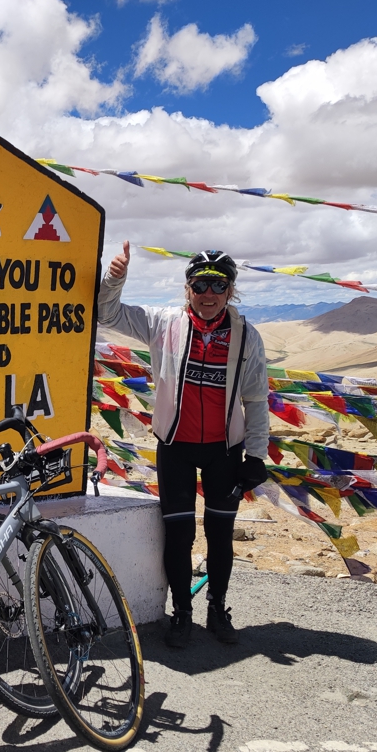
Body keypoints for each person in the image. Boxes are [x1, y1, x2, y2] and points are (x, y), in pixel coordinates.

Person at [98, 242, 270, 648]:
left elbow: (255, 399)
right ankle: (181, 612)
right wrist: (115, 279)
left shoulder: (247, 336)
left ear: (230, 291)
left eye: (219, 285)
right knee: (178, 535)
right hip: (175, 446)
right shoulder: (163, 323)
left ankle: (217, 608)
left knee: (220, 534)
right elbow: (108, 313)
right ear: (187, 288)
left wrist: (256, 456)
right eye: (200, 285)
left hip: (224, 451)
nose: (209, 294)